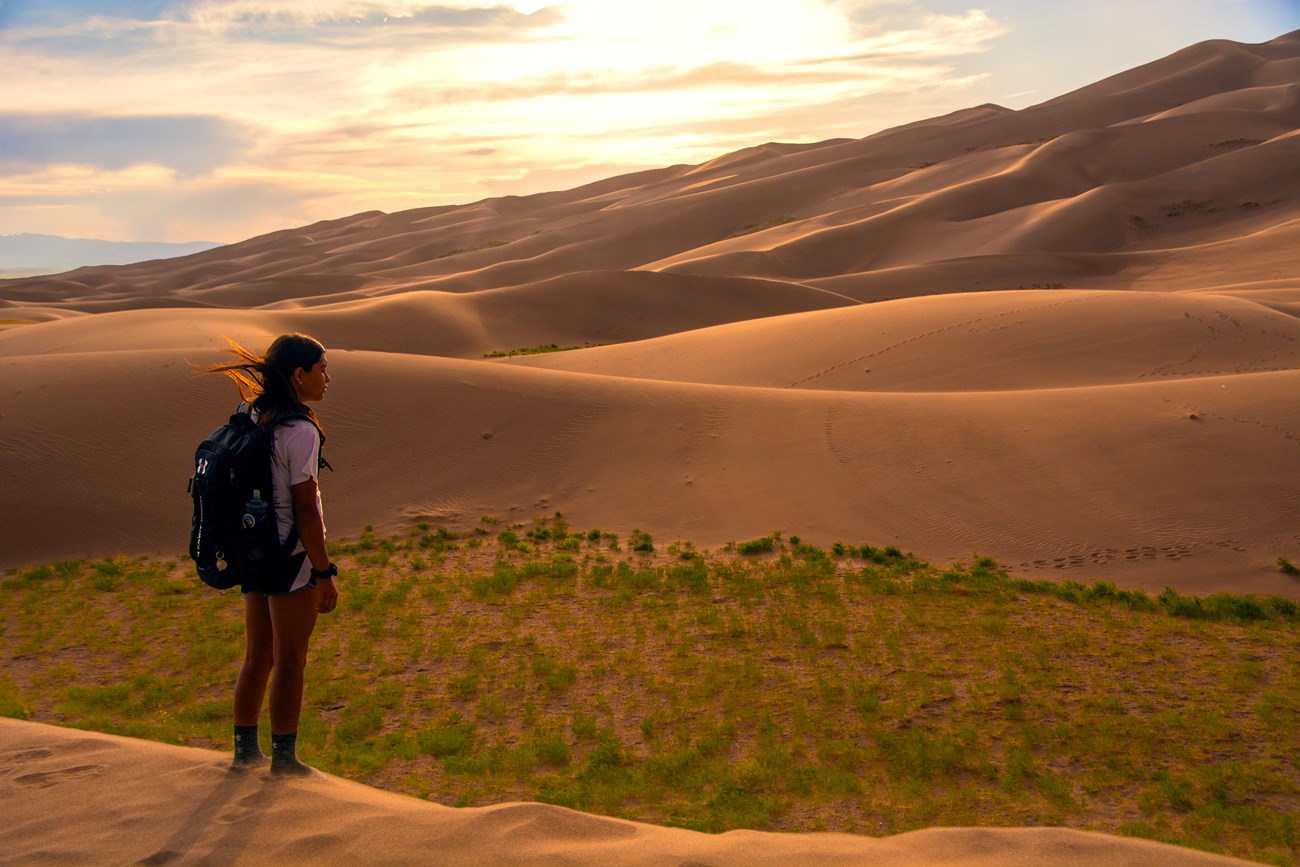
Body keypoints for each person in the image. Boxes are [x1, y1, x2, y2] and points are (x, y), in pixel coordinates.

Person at [208, 333, 339, 777]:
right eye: (322, 369)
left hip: (251, 550)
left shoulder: (252, 414)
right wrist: (324, 571)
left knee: (257, 654)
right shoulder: (299, 431)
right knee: (290, 659)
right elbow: (306, 509)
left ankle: (245, 752)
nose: (328, 378)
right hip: (289, 557)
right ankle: (284, 759)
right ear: (299, 375)